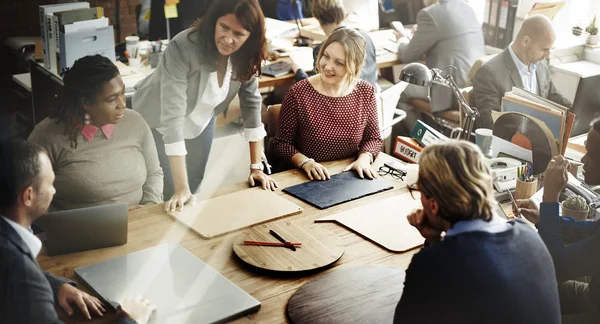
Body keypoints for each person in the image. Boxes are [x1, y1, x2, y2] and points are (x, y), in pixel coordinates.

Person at [392, 141, 560, 324]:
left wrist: (433, 247)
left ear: (433, 205)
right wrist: (436, 239)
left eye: (422, 193)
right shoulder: (529, 235)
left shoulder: (433, 264)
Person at [0, 139, 156, 324]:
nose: (54, 189)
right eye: (49, 183)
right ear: (28, 196)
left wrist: (56, 285)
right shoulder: (21, 274)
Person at [133, 0, 277, 213]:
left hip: (202, 120)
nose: (228, 39)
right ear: (213, 21)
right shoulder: (183, 46)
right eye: (224, 27)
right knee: (168, 191)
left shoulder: (246, 55)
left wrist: (256, 168)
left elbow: (252, 104)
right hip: (159, 123)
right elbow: (172, 116)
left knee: (195, 184)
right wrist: (181, 188)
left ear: (250, 37)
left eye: (239, 34)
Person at [28, 55, 163, 211]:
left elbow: (154, 173)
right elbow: (31, 196)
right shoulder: (48, 136)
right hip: (81, 231)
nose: (122, 104)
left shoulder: (135, 121)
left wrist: (149, 207)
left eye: (123, 93)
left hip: (142, 223)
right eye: (112, 99)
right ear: (85, 103)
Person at [516, 121, 600, 324]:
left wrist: (550, 197)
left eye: (592, 155)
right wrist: (547, 218)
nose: (583, 161)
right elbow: (591, 230)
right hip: (594, 298)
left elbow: (554, 265)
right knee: (529, 289)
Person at [270, 27, 382, 180]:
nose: (328, 66)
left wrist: (364, 159)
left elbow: (373, 139)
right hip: (306, 177)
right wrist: (306, 163)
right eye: (326, 56)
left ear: (354, 66)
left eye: (339, 63)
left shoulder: (365, 91)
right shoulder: (298, 93)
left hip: (349, 175)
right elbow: (281, 144)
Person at [473, 14, 572, 129]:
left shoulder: (541, 66)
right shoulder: (489, 74)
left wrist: (576, 112)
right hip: (511, 142)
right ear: (526, 41)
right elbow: (489, 123)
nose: (548, 55)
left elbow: (553, 96)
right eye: (544, 49)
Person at [394, 0, 485, 114]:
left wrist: (401, 39)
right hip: (471, 89)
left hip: (451, 91)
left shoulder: (430, 14)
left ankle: (417, 131)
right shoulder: (467, 8)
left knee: (398, 92)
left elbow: (407, 56)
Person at [291, 0, 378, 89]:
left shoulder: (323, 49)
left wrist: (298, 72)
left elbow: (314, 90)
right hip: (372, 98)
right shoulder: (366, 38)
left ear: (319, 19)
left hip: (344, 101)